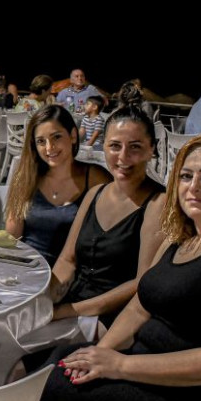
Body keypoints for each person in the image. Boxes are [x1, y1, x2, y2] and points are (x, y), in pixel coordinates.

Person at [21, 133, 201, 401]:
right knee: (50, 371)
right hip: (140, 371)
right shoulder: (182, 238)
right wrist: (100, 353)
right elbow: (139, 307)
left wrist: (118, 365)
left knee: (45, 399)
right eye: (186, 176)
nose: (194, 186)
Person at [51, 107, 165, 328]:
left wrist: (66, 311)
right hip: (71, 305)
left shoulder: (158, 203)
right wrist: (47, 298)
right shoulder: (95, 193)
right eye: (115, 146)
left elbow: (141, 283)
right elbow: (67, 260)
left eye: (135, 147)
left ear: (152, 149)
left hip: (113, 318)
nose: (123, 157)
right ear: (103, 146)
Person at [5, 105, 110, 267]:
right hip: (29, 267)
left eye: (56, 137)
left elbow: (111, 237)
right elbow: (13, 238)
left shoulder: (95, 177)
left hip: (75, 271)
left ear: (73, 136)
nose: (49, 147)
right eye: (41, 141)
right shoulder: (26, 177)